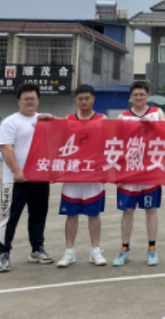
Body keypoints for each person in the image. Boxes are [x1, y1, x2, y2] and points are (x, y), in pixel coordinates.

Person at [0, 83, 56, 272]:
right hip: (16, 180)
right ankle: (3, 254)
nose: (30, 102)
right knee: (9, 217)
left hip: (40, 177)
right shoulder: (10, 122)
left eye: (33, 98)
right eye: (26, 99)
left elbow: (64, 132)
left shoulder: (44, 119)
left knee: (38, 216)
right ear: (18, 101)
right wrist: (16, 171)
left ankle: (37, 249)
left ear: (38, 100)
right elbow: (6, 148)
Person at [113, 81, 165, 267]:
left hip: (151, 169)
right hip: (129, 170)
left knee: (151, 210)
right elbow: (117, 144)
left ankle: (152, 249)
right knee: (128, 210)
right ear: (130, 97)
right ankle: (124, 249)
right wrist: (118, 172)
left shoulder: (157, 113)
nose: (138, 97)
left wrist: (153, 126)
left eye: (142, 94)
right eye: (135, 94)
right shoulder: (122, 117)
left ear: (147, 96)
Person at [55, 85, 107, 267]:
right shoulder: (69, 119)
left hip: (94, 174)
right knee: (71, 214)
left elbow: (112, 142)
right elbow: (57, 143)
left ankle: (95, 250)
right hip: (72, 174)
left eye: (87, 98)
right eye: (80, 98)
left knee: (94, 214)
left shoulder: (102, 119)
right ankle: (69, 251)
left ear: (93, 99)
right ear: (76, 100)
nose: (83, 101)